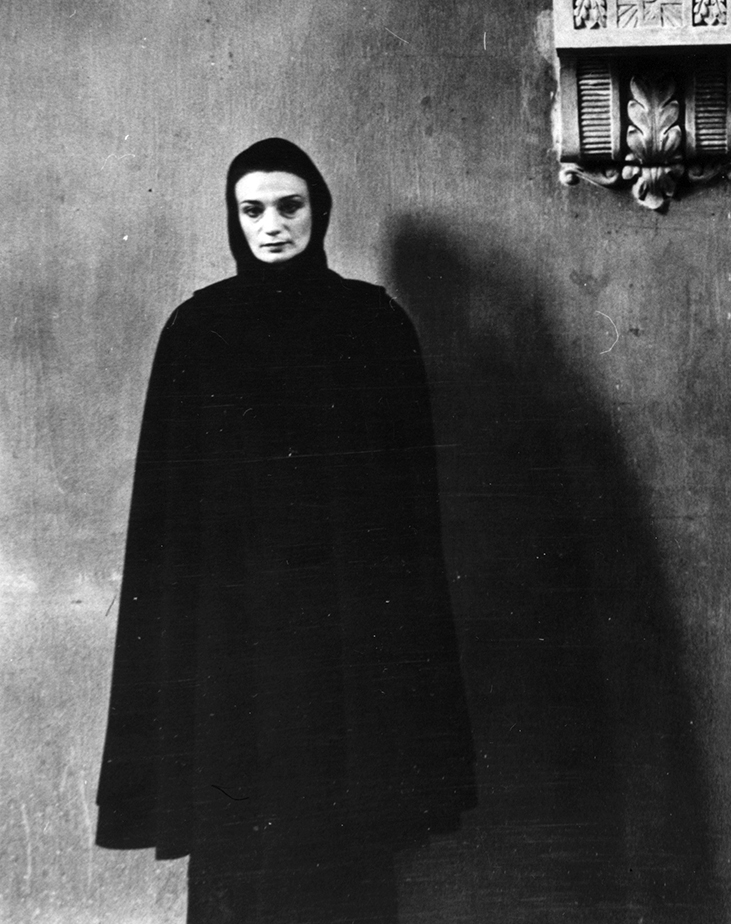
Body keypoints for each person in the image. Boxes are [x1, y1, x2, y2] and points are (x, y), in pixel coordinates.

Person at [96, 139, 475, 924]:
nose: (272, 225)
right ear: (233, 219)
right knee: (239, 833)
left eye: (289, 206)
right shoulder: (199, 331)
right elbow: (168, 517)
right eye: (253, 210)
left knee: (346, 833)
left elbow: (407, 512)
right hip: (232, 638)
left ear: (319, 212)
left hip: (346, 635)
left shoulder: (374, 325)